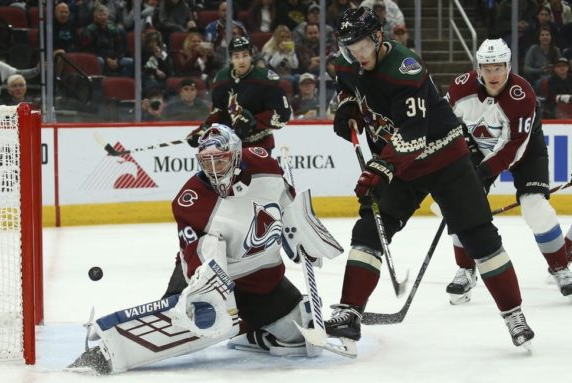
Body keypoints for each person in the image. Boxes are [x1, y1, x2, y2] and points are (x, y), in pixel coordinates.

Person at [323, 7, 534, 355]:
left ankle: (514, 315)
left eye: (361, 46)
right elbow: (347, 85)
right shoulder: (348, 61)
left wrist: (378, 169)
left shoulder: (406, 70)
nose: (356, 55)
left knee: (479, 237)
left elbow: (412, 136)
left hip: (444, 158)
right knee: (369, 231)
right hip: (402, 166)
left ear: (378, 38)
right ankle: (349, 312)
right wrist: (348, 105)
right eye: (349, 48)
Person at [67, 124, 342, 374]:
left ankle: (248, 331)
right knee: (202, 313)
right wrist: (208, 293)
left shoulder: (264, 167)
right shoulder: (190, 201)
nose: (213, 168)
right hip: (206, 273)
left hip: (261, 278)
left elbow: (287, 200)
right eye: (206, 162)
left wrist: (301, 232)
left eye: (220, 160)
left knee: (299, 334)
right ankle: (118, 347)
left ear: (235, 155)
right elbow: (197, 257)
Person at [444, 39, 572, 304]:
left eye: (499, 67)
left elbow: (513, 148)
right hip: (478, 148)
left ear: (509, 66)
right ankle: (466, 270)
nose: (493, 74)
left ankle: (560, 267)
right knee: (461, 204)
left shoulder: (522, 94)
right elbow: (442, 120)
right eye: (487, 68)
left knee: (535, 207)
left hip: (526, 152)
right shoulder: (460, 88)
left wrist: (482, 172)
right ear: (478, 68)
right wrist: (461, 145)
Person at [187, 35, 292, 154]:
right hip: (230, 147)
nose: (241, 61)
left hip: (260, 146)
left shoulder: (266, 79)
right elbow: (218, 112)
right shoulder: (222, 79)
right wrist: (204, 131)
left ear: (251, 56)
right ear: (231, 58)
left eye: (245, 55)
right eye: (236, 56)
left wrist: (253, 122)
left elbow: (282, 114)